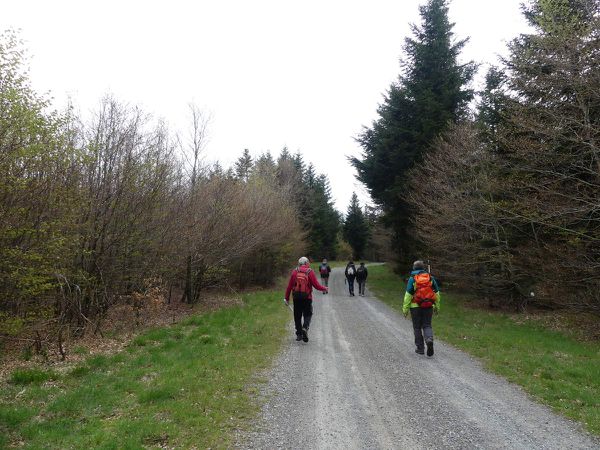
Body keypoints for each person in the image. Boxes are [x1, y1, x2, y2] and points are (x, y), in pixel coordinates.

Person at [284, 257, 328, 342]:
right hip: (307, 298)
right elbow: (316, 285)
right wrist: (324, 288)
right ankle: (305, 327)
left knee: (297, 315)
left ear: (299, 263)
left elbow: (289, 287)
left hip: (296, 298)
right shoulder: (310, 272)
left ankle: (299, 334)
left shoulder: (294, 271)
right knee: (308, 314)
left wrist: (286, 298)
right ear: (306, 263)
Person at [402, 260, 441, 356]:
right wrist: (437, 306)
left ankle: (420, 349)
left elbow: (408, 295)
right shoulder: (430, 278)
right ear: (423, 268)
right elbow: (437, 293)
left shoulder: (412, 279)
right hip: (428, 305)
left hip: (415, 307)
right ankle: (429, 340)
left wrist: (405, 309)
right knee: (427, 325)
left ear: (414, 268)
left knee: (417, 327)